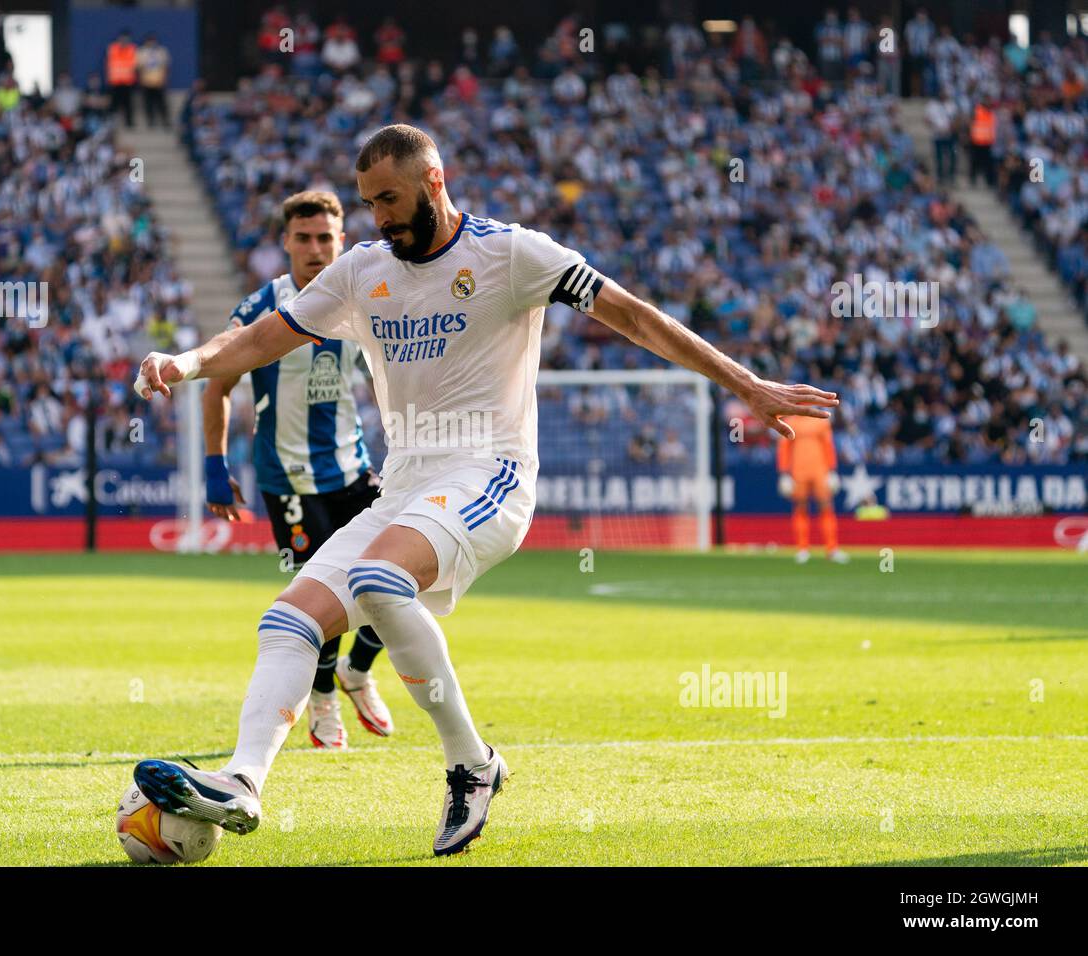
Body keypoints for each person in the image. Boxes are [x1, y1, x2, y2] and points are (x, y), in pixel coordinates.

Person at [131, 124, 838, 856]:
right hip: (402, 485)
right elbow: (257, 340)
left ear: (435, 181)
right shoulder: (361, 271)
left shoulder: (510, 253)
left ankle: (471, 765)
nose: (380, 218)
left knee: (377, 581)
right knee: (288, 621)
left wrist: (745, 384)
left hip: (490, 471)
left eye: (392, 199)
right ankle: (243, 782)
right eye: (370, 203)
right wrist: (183, 364)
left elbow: (633, 316)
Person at [203, 190, 393, 750]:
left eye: (326, 238)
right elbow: (218, 382)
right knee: (321, 592)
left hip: (354, 471)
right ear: (286, 242)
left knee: (405, 577)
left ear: (341, 240)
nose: (315, 249)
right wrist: (215, 464)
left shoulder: (363, 300)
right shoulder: (263, 306)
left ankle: (358, 669)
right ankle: (326, 700)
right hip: (287, 480)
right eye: (304, 239)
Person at [777, 413, 848, 563]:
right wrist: (784, 472)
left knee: (826, 506)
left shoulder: (821, 422)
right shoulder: (790, 422)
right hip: (798, 471)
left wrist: (832, 470)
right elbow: (784, 448)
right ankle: (802, 549)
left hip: (819, 470)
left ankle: (831, 549)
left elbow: (828, 446)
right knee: (800, 507)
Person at [137, 34, 171, 128]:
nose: (151, 43)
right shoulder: (141, 52)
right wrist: (141, 80)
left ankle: (166, 121)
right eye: (149, 41)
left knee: (162, 103)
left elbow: (166, 66)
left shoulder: (161, 51)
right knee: (148, 104)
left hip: (159, 81)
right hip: (146, 82)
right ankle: (151, 122)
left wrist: (165, 79)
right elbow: (139, 67)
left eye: (153, 41)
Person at [105, 31, 138, 127]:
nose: (124, 41)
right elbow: (111, 63)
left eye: (126, 39)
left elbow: (134, 65)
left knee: (128, 104)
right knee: (114, 104)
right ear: (119, 39)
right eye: (122, 38)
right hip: (115, 81)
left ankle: (129, 123)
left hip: (127, 82)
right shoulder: (113, 48)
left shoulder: (132, 49)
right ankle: (110, 122)